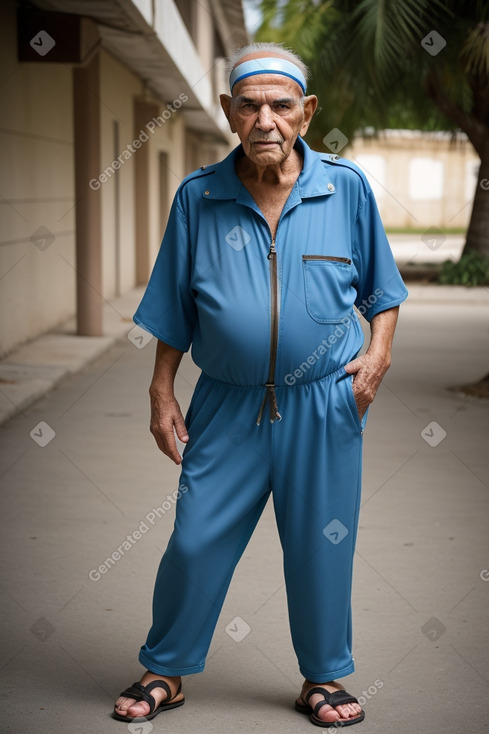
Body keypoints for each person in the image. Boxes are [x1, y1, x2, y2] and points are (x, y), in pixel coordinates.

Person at [113, 42, 408, 728]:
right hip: (225, 401)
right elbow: (172, 309)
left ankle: (324, 678)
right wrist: (161, 392)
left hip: (323, 403)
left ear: (305, 113)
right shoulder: (199, 196)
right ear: (228, 113)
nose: (264, 120)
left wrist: (377, 354)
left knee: (322, 542)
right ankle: (168, 667)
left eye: (280, 105)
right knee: (193, 538)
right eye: (248, 105)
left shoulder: (346, 188)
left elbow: (382, 292)